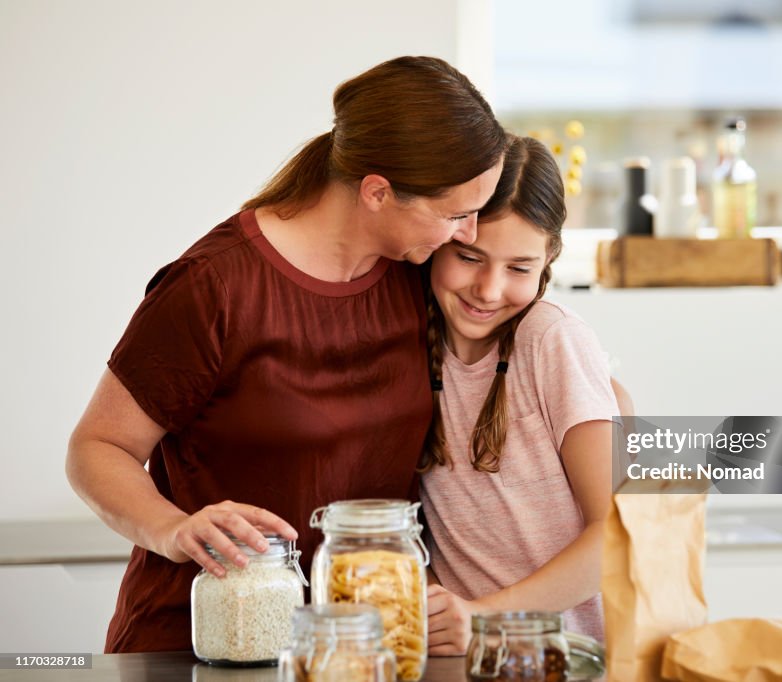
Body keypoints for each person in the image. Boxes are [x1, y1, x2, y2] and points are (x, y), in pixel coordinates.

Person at [65, 56, 506, 653]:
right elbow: (97, 448)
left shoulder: (417, 277)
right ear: (378, 192)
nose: (470, 234)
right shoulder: (214, 287)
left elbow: (527, 354)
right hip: (205, 644)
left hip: (357, 651)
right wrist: (172, 529)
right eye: (456, 213)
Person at [419, 135, 618, 653]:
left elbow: (617, 534)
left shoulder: (553, 341)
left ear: (549, 257)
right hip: (458, 659)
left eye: (519, 268)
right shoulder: (412, 343)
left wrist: (483, 617)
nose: (488, 290)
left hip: (564, 659)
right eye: (469, 257)